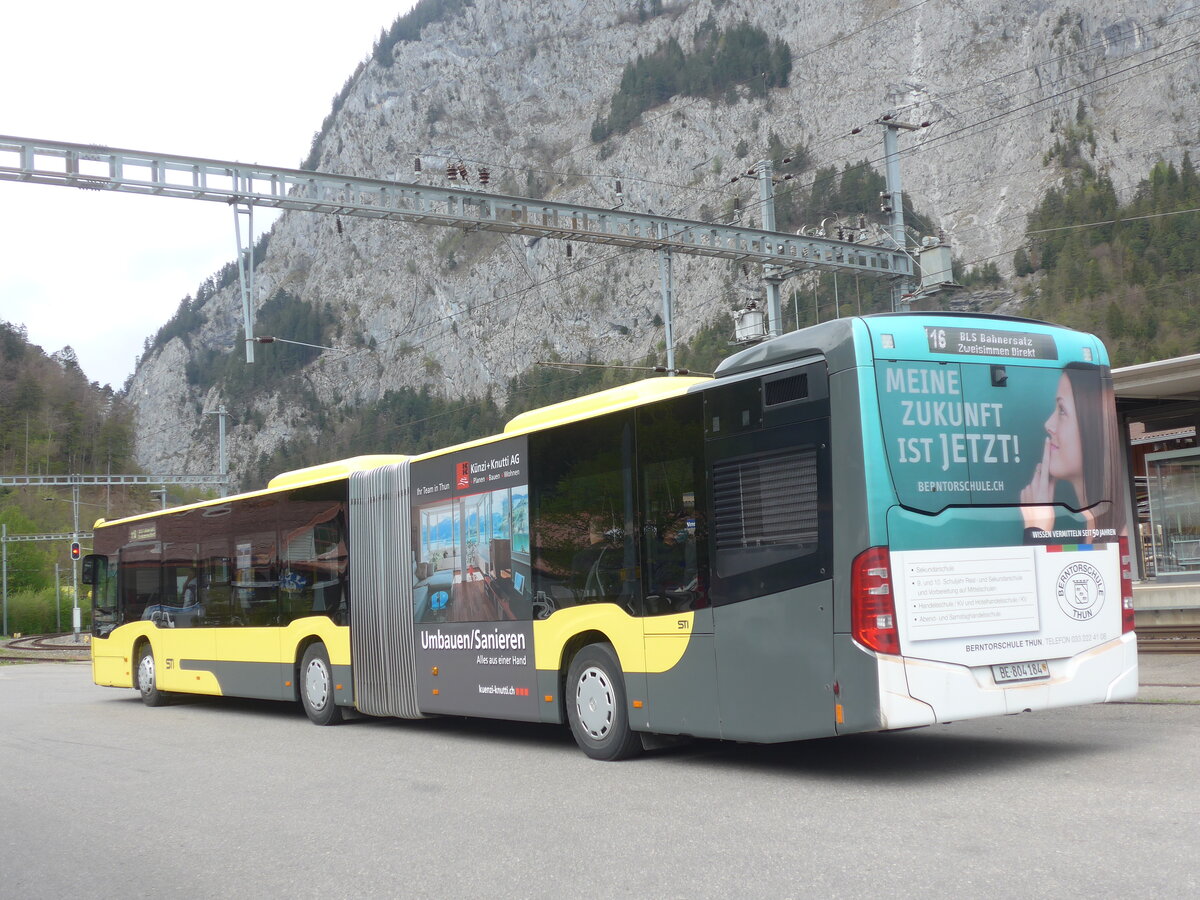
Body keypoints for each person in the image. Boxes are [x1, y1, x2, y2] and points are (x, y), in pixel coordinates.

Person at [1021, 362, 1122, 536]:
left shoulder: (1116, 532)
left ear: (1092, 426)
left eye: (1062, 410)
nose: (1048, 425)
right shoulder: (1093, 529)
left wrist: (1036, 529)